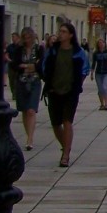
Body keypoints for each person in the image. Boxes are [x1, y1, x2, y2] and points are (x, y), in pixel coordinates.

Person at [40, 21, 89, 168]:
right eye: (60, 31)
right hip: (54, 91)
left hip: (70, 92)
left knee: (67, 121)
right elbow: (44, 66)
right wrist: (48, 82)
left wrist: (77, 85)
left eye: (63, 32)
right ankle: (66, 146)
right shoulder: (53, 51)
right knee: (56, 124)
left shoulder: (79, 52)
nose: (60, 34)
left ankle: (65, 154)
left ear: (70, 35)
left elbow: (84, 70)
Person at [10, 27, 43, 150]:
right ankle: (28, 134)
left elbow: (40, 65)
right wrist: (30, 66)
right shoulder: (19, 50)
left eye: (29, 37)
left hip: (34, 82)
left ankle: (30, 139)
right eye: (25, 38)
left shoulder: (39, 49)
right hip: (21, 82)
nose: (27, 40)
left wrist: (28, 66)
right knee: (24, 110)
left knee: (31, 110)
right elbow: (14, 64)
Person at [91, 38, 107, 111]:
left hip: (106, 72)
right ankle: (102, 104)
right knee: (100, 89)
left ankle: (106, 104)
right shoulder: (96, 53)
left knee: (105, 87)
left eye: (102, 43)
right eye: (99, 43)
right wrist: (91, 73)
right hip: (98, 73)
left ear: (104, 44)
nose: (101, 44)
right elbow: (94, 63)